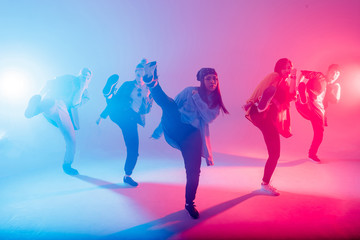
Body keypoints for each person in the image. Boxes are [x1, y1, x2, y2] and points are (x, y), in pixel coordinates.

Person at [144, 62, 229, 219]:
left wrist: (197, 98)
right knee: (168, 104)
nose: (213, 82)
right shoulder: (189, 91)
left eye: (215, 79)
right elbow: (170, 106)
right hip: (175, 125)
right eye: (209, 78)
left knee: (194, 172)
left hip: (192, 136)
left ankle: (189, 203)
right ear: (201, 80)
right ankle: (152, 82)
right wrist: (158, 131)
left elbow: (208, 117)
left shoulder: (215, 102)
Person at [24, 68, 92, 175]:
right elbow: (49, 83)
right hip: (56, 103)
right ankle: (34, 109)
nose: (84, 78)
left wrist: (82, 88)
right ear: (79, 73)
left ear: (89, 79)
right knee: (50, 104)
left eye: (87, 77)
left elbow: (75, 104)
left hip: (61, 109)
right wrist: (40, 95)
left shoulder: (85, 93)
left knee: (71, 139)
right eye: (83, 75)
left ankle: (67, 165)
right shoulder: (68, 78)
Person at [96, 59, 153, 187]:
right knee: (115, 99)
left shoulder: (149, 90)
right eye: (138, 75)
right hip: (120, 114)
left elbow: (147, 110)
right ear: (135, 74)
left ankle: (127, 176)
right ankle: (108, 93)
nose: (140, 78)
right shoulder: (127, 84)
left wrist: (146, 97)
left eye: (142, 75)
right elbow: (117, 101)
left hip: (131, 120)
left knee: (134, 151)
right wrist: (102, 115)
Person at [244, 58, 296, 196]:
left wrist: (294, 78)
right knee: (275, 154)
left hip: (271, 120)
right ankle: (265, 184)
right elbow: (262, 89)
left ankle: (263, 105)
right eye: (284, 67)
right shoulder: (274, 76)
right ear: (278, 68)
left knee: (274, 154)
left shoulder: (286, 82)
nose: (287, 70)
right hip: (262, 115)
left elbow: (292, 95)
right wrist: (253, 101)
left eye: (289, 67)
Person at [295, 64, 341, 163]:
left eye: (337, 74)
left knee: (319, 134)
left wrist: (338, 87)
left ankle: (312, 154)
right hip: (306, 105)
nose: (334, 75)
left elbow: (336, 100)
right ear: (328, 72)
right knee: (306, 99)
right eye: (333, 72)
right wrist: (298, 86)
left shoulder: (329, 89)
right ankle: (302, 96)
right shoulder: (319, 76)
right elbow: (303, 74)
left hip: (318, 111)